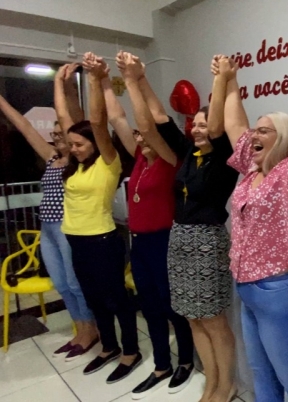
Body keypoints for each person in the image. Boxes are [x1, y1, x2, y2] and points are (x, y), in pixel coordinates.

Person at [216, 30, 288, 401]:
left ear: (285, 137)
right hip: (248, 290)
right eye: (255, 129)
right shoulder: (251, 169)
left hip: (284, 289)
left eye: (264, 130)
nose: (253, 135)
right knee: (262, 377)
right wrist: (230, 80)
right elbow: (233, 125)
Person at [99, 51, 195, 399]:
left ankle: (185, 360)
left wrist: (135, 77)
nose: (139, 137)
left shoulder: (172, 160)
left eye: (145, 133)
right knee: (150, 306)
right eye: (137, 135)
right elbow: (118, 118)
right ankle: (161, 364)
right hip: (139, 242)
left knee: (171, 305)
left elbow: (145, 121)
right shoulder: (139, 156)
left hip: (164, 241)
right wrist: (104, 81)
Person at [154, 61, 239, 402]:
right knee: (192, 318)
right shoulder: (189, 154)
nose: (200, 129)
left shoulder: (224, 155)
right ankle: (210, 382)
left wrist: (221, 80)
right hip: (180, 240)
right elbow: (159, 120)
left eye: (205, 124)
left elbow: (219, 127)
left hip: (207, 241)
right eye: (196, 125)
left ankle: (226, 384)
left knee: (214, 320)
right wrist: (137, 79)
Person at [0, 66, 97, 359]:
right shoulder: (52, 158)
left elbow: (74, 119)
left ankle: (91, 330)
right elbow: (26, 128)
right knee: (61, 284)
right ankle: (80, 329)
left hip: (69, 228)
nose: (55, 135)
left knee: (75, 283)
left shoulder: (78, 161)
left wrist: (64, 88)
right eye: (53, 132)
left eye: (59, 131)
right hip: (48, 229)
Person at [55, 53, 141, 383]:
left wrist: (94, 80)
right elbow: (66, 119)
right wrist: (58, 84)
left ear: (93, 143)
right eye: (70, 143)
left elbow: (96, 123)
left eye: (78, 144)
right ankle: (108, 346)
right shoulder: (77, 166)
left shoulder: (109, 162)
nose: (72, 148)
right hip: (76, 239)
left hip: (102, 240)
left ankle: (131, 351)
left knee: (116, 298)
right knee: (93, 299)